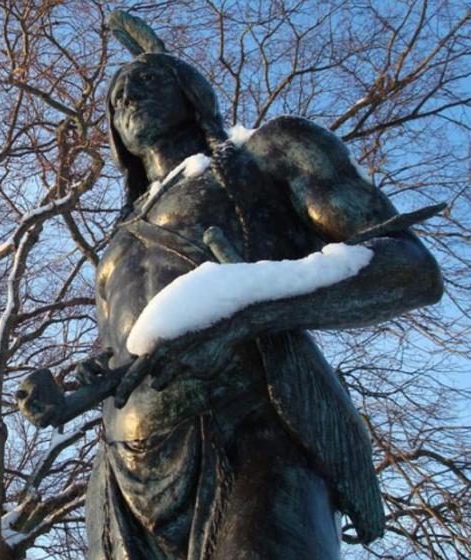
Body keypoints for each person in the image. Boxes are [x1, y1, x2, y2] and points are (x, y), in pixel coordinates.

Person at [83, 45, 443, 559]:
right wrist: (81, 379)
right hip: (125, 476)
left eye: (146, 82)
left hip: (256, 433)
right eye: (116, 98)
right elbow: (120, 350)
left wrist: (246, 309)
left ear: (191, 94)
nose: (128, 98)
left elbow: (408, 269)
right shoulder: (118, 240)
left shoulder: (269, 154)